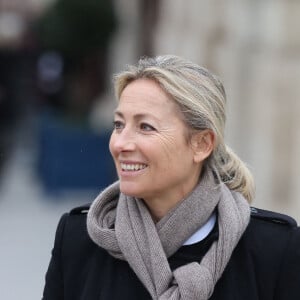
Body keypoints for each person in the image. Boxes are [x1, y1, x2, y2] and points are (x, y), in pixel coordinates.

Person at [42, 55, 300, 300]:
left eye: (145, 127)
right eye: (119, 125)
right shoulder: (79, 239)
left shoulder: (274, 249)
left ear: (201, 144)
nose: (120, 143)